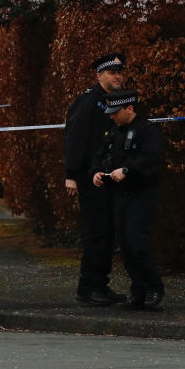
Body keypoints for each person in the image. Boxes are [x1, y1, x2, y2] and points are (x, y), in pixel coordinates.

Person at [64, 53, 127, 306]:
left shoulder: (117, 102)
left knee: (108, 233)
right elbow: (75, 138)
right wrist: (71, 175)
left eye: (119, 72)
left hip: (110, 177)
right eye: (112, 72)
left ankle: (101, 284)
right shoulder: (89, 102)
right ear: (99, 75)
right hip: (91, 178)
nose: (117, 76)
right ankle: (88, 288)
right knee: (96, 233)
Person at [93, 90, 165, 309]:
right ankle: (138, 292)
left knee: (137, 241)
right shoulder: (114, 132)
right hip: (120, 195)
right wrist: (98, 173)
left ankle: (154, 288)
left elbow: (152, 159)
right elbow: (103, 156)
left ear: (130, 108)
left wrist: (128, 169)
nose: (112, 116)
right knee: (124, 245)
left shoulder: (148, 131)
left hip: (142, 194)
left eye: (116, 112)